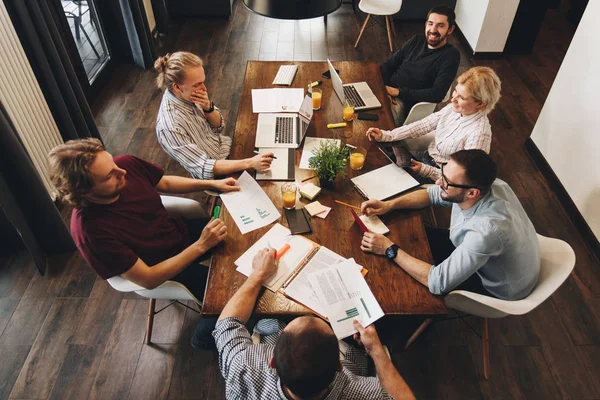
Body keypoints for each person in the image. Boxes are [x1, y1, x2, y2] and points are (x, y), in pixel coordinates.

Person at [48, 138, 239, 348]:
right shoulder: (90, 233)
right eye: (110, 176)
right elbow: (149, 279)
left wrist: (212, 183)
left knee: (242, 237)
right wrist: (201, 245)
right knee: (232, 295)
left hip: (177, 233)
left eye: (113, 163)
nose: (122, 172)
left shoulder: (125, 165)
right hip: (164, 269)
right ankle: (203, 338)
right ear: (85, 192)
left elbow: (163, 182)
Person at [213, 248, 416, 400]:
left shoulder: (245, 367)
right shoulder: (362, 393)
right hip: (358, 357)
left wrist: (258, 274)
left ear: (272, 361)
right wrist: (376, 350)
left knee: (267, 321)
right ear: (339, 366)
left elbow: (226, 324)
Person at [360, 150, 539, 301]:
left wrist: (389, 249)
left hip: (497, 287)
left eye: (446, 182)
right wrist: (389, 205)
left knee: (404, 282)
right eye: (442, 174)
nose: (439, 182)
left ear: (472, 193)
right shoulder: (488, 185)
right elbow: (432, 194)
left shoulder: (485, 232)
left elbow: (437, 283)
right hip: (502, 254)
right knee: (408, 238)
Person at [367, 66, 501, 182]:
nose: (453, 99)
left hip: (438, 175)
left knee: (385, 180)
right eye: (455, 91)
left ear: (480, 104)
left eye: (462, 97)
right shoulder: (453, 109)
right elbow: (423, 125)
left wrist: (426, 171)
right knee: (378, 159)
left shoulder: (479, 135)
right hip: (425, 157)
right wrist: (387, 135)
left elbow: (464, 180)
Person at [154, 51, 273, 180]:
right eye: (197, 84)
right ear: (177, 87)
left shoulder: (190, 95)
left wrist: (208, 108)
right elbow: (205, 167)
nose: (204, 88)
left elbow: (219, 126)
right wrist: (250, 162)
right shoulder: (169, 127)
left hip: (226, 148)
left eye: (203, 81)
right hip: (219, 176)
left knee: (273, 142)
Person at [380, 6, 461, 126]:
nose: (433, 30)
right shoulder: (417, 40)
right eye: (430, 23)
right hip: (389, 91)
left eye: (440, 25)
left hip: (406, 103)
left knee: (375, 118)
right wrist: (385, 89)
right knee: (354, 102)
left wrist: (398, 92)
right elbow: (387, 65)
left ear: (450, 29)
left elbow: (437, 94)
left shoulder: (451, 55)